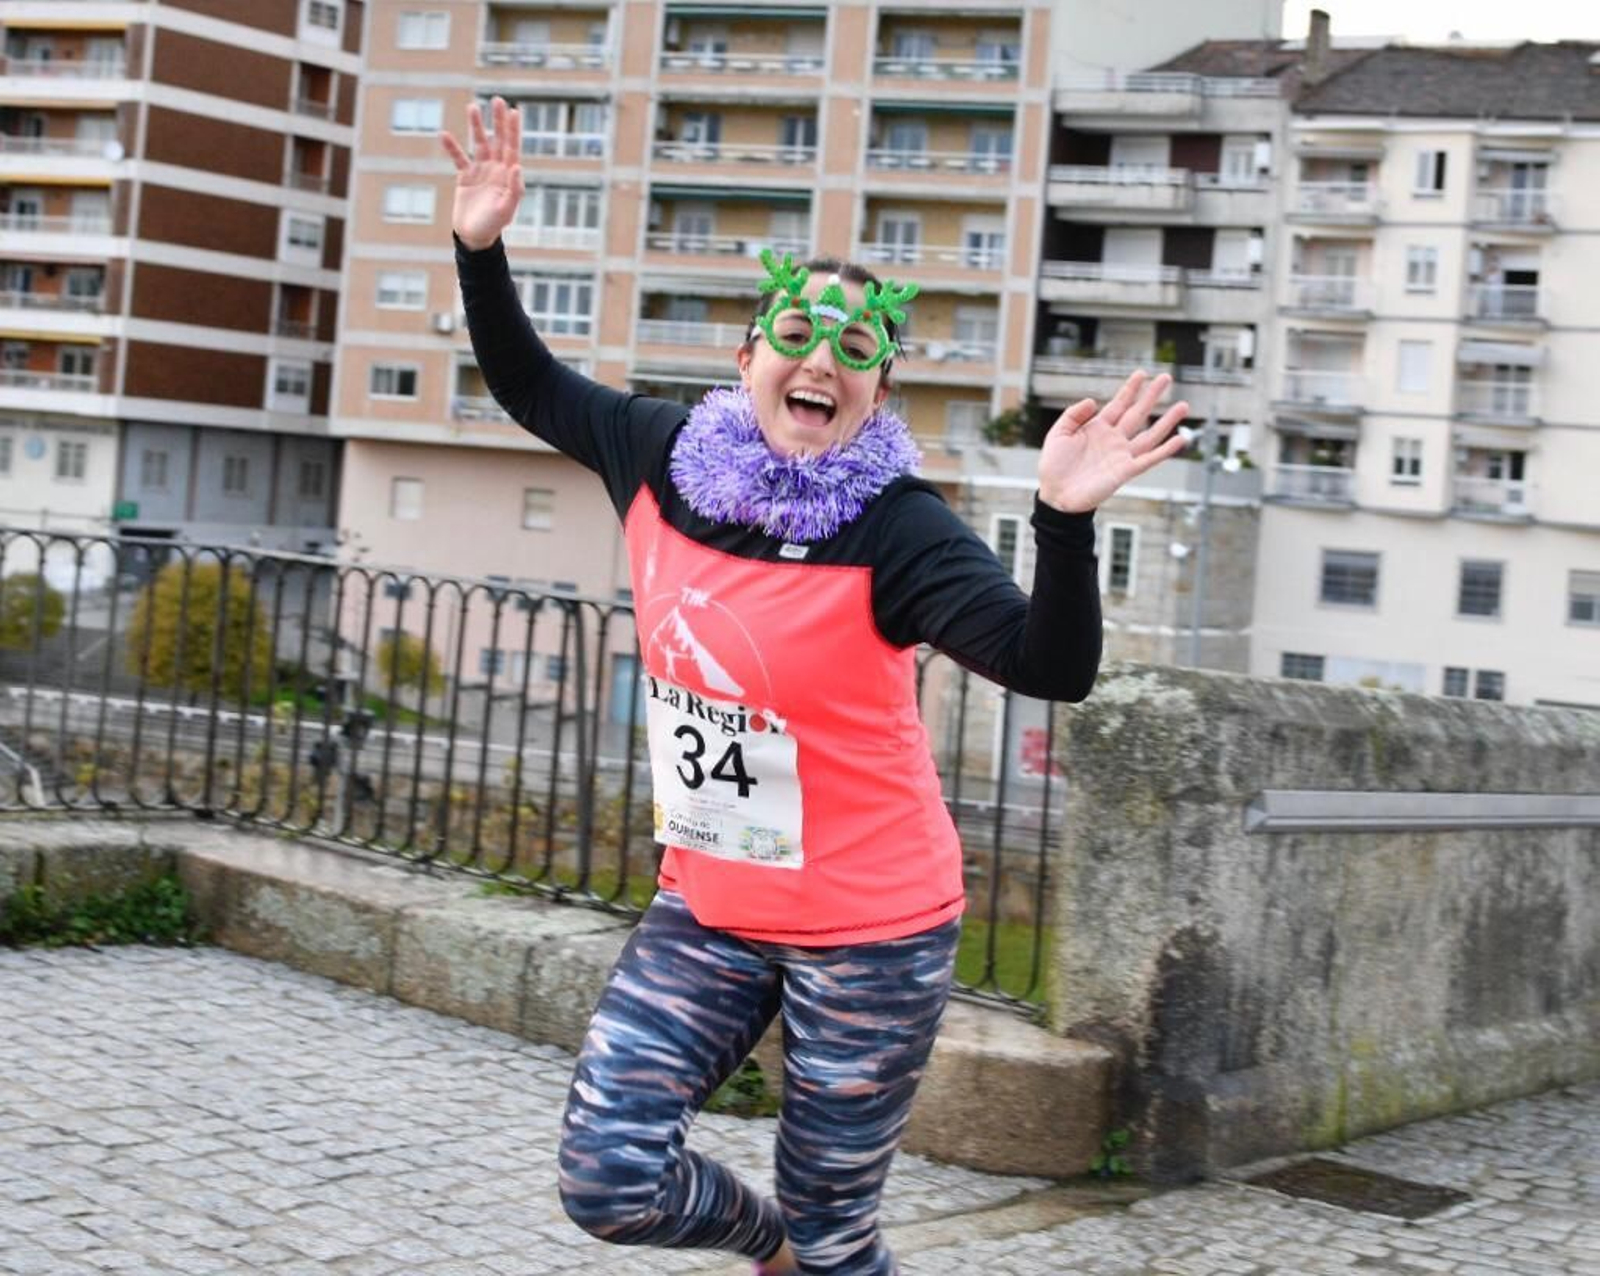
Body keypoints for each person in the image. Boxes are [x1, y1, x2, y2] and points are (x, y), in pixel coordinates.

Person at [442, 97, 1188, 1276]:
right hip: (712, 905)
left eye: (854, 351)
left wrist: (1062, 522)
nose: (820, 360)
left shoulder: (901, 532)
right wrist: (479, 245)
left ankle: (818, 1251)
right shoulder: (655, 456)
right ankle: (770, 1248)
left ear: (875, 394)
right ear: (748, 357)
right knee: (608, 1172)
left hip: (874, 933)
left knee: (845, 1235)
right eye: (797, 331)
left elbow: (1052, 668)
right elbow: (529, 383)